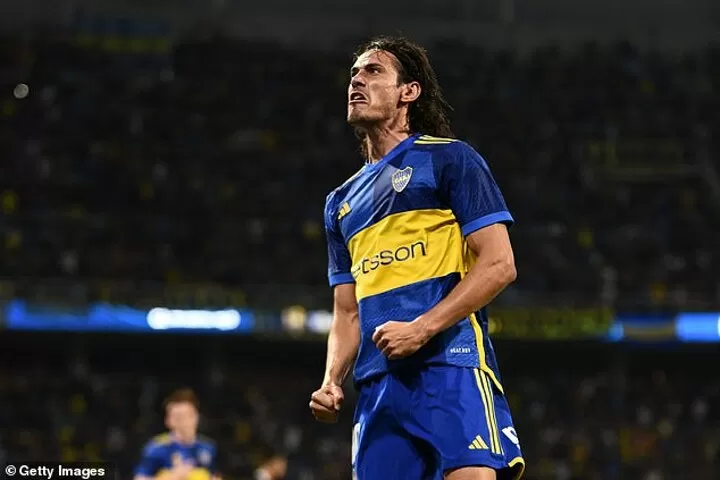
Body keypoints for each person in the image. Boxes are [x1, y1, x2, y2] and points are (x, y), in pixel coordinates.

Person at [309, 36, 525, 480]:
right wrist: (332, 380)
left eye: (372, 72)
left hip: (450, 364)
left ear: (409, 92)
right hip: (376, 387)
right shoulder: (339, 203)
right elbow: (347, 313)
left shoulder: (450, 159)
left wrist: (421, 329)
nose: (356, 81)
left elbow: (499, 264)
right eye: (353, 74)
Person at [134, 388, 220, 480]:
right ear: (168, 421)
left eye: (189, 415)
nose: (185, 422)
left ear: (197, 417)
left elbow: (213, 475)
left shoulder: (207, 447)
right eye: (179, 417)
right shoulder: (157, 447)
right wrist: (173, 477)